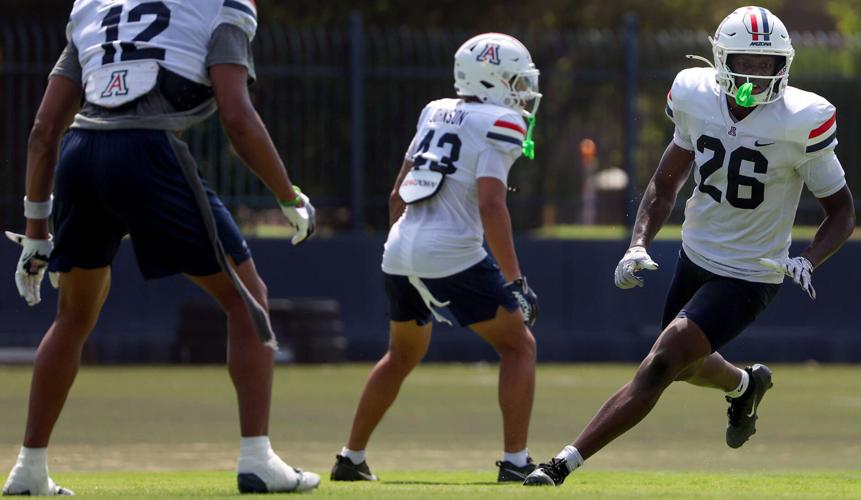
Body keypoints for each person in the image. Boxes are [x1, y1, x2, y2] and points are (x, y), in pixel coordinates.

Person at [524, 6, 855, 487]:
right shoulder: (695, 95)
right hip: (694, 254)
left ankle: (561, 466)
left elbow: (842, 212)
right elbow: (664, 182)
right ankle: (745, 385)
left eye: (769, 64)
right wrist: (637, 244)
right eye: (747, 61)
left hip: (751, 271)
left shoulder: (802, 118)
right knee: (684, 364)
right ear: (721, 60)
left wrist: (807, 258)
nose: (758, 74)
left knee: (661, 363)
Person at [2, 0, 320, 495]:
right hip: (147, 153)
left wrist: (37, 231)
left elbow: (44, 131)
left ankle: (29, 467)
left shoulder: (94, 6)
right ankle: (258, 458)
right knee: (247, 298)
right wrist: (287, 193)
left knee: (72, 316)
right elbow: (236, 114)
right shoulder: (223, 6)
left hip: (80, 155)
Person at [330, 33, 541, 483]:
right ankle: (517, 463)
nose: (522, 91)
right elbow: (490, 205)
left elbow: (395, 195)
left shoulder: (434, 110)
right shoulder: (502, 122)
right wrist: (516, 280)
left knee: (401, 354)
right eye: (515, 80)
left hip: (401, 246)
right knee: (519, 346)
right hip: (450, 251)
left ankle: (350, 457)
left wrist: (401, 251)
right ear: (493, 78)